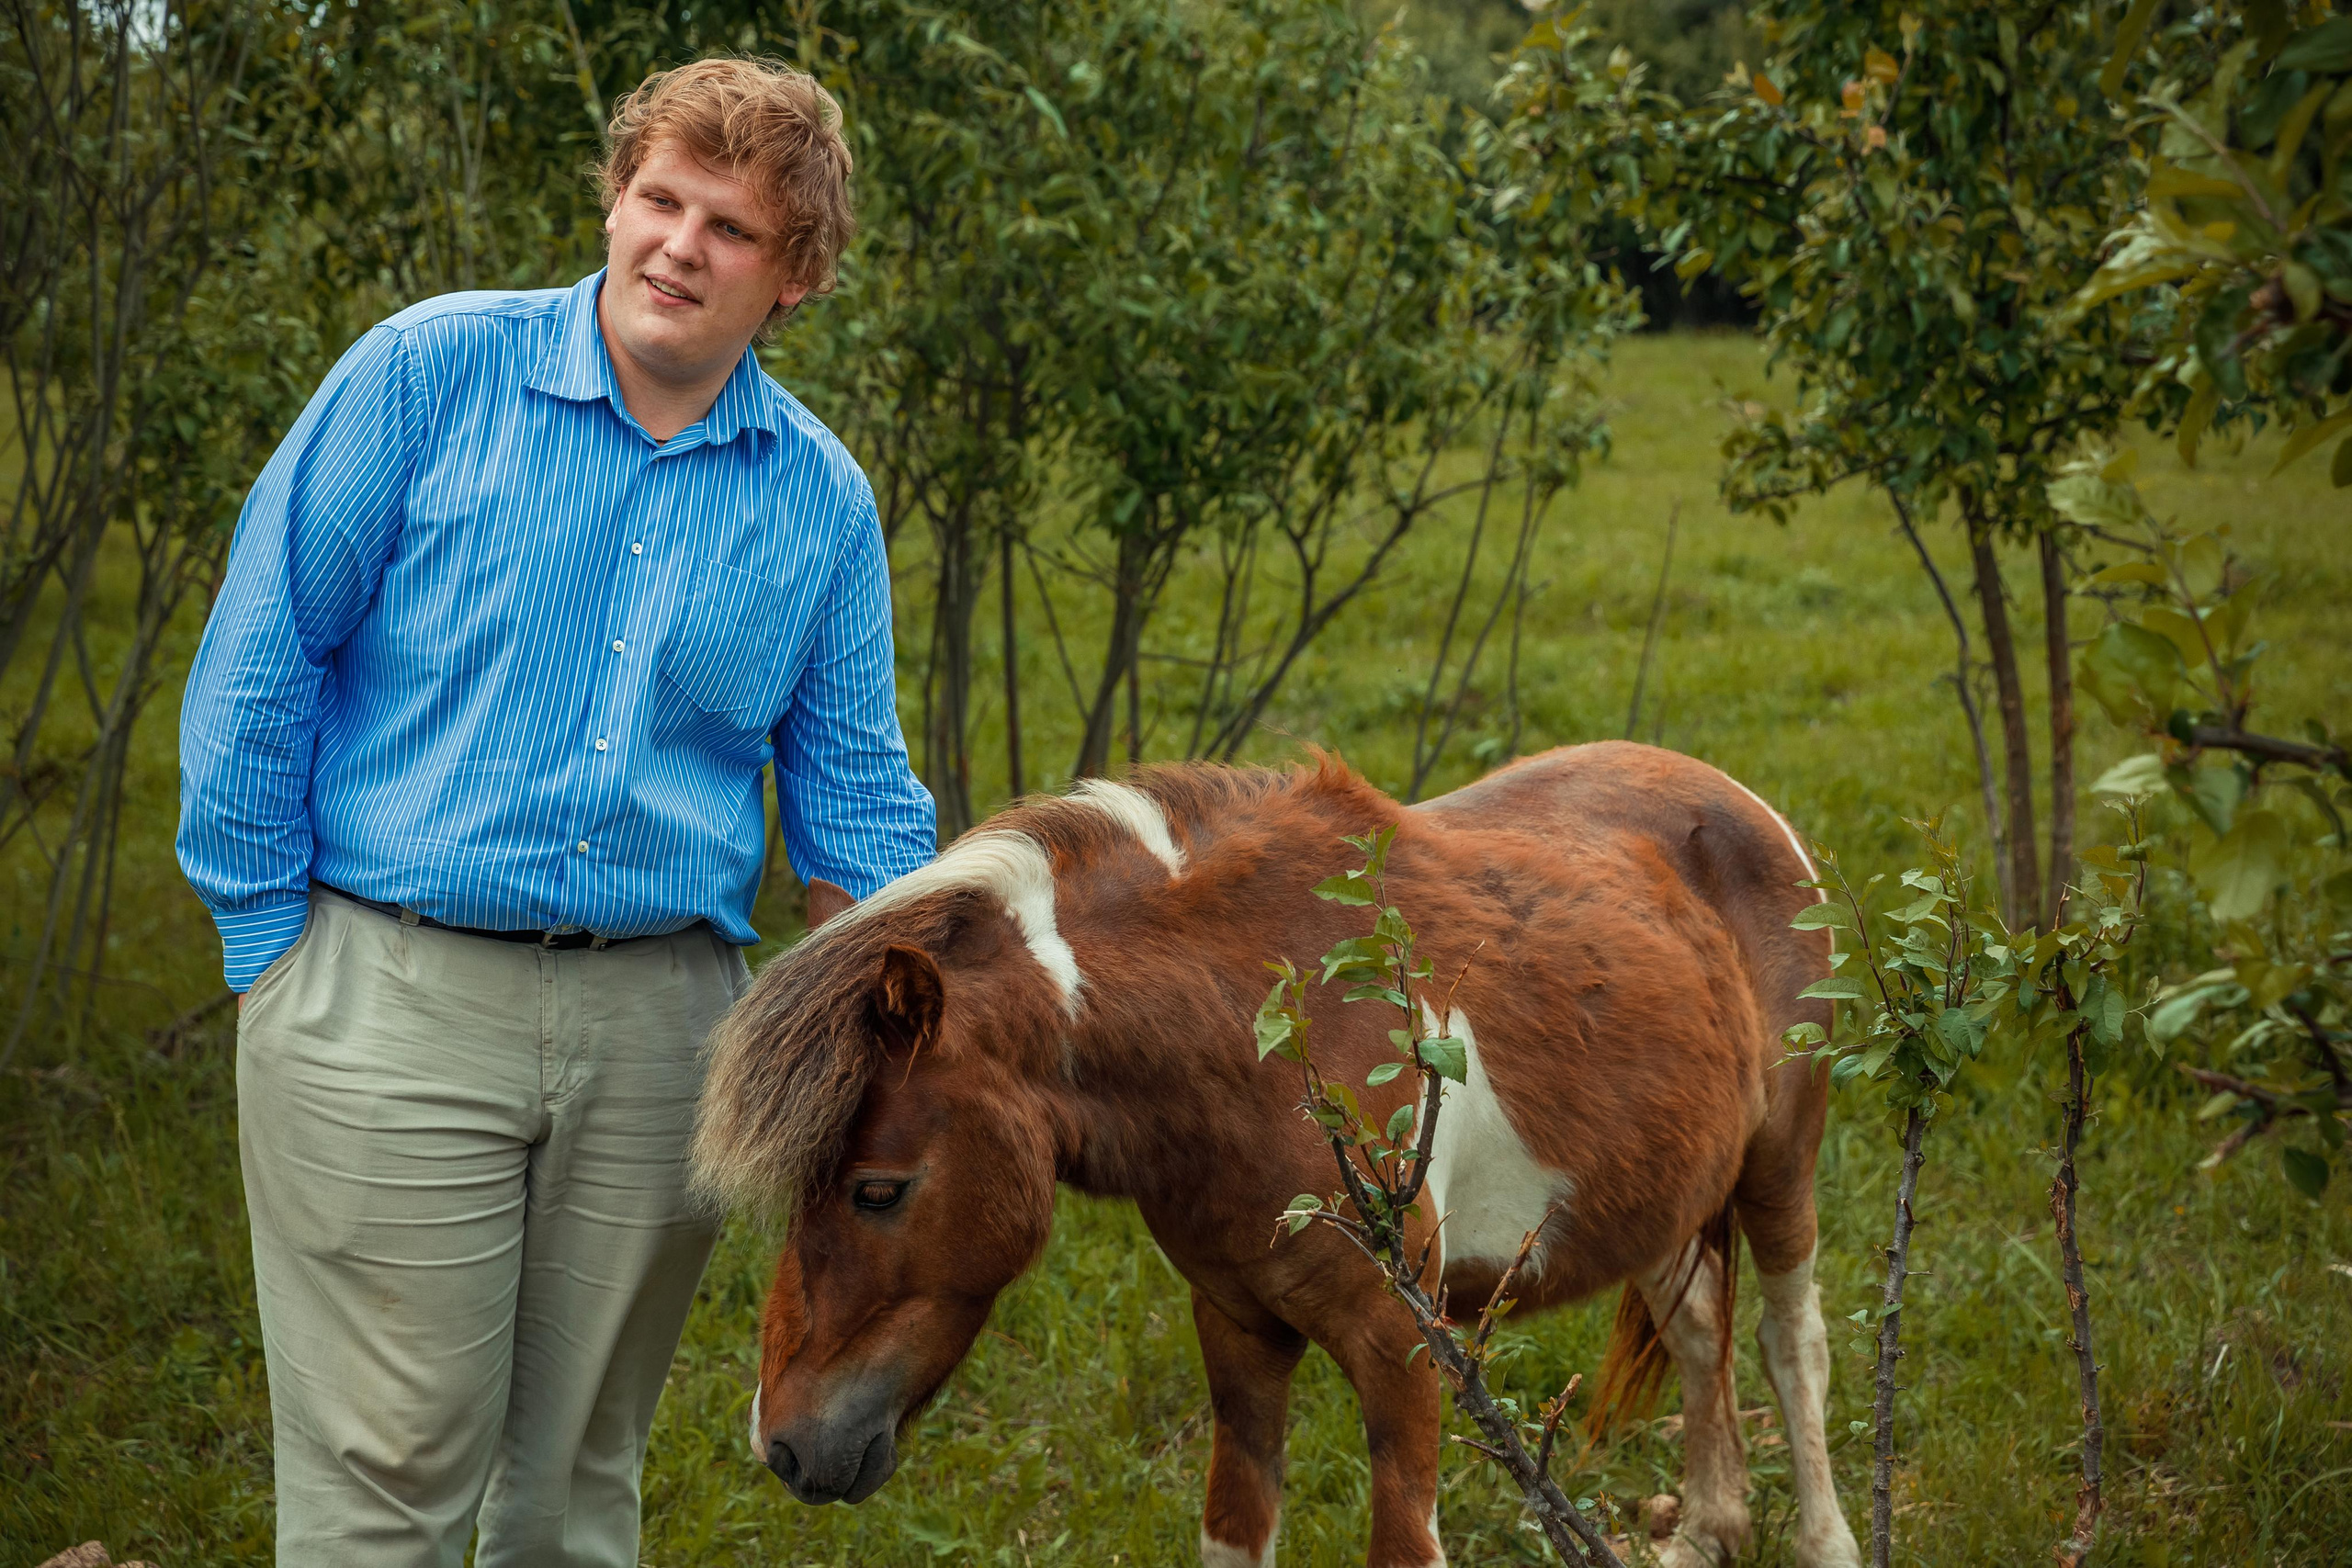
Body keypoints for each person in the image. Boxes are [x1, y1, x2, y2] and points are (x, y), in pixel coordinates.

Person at [175, 57, 934, 1568]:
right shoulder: (426, 374)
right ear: (613, 202)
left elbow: (855, 810)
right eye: (659, 199)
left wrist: (895, 1037)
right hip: (390, 992)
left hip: (666, 1035)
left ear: (796, 278)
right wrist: (278, 953)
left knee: (579, 1485)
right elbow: (267, 651)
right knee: (388, 1472)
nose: (678, 246)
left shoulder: (820, 501)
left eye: (731, 228)